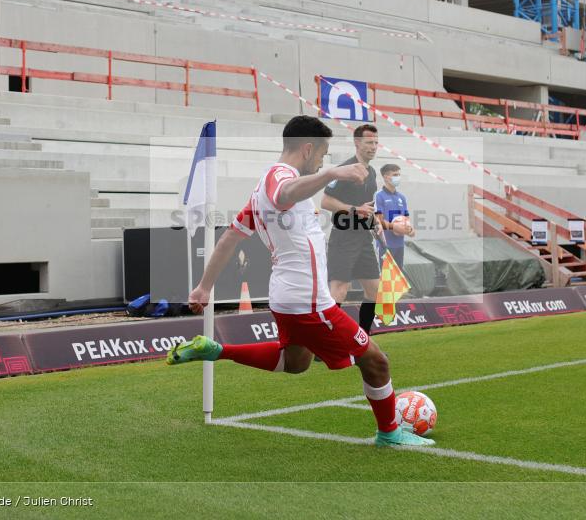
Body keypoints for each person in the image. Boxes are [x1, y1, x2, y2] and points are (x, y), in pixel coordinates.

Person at [169, 116, 434, 448]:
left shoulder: (261, 193)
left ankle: (215, 350)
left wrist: (203, 287)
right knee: (376, 360)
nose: (322, 162)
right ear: (308, 149)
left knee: (296, 362)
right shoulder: (281, 177)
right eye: (322, 155)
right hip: (308, 302)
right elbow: (285, 194)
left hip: (290, 298)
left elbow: (228, 240)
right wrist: (332, 173)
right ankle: (390, 434)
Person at [320, 124, 383, 336]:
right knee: (340, 290)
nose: (373, 147)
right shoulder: (345, 169)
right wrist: (355, 210)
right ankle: (325, 343)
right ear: (357, 143)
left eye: (376, 142)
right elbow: (326, 201)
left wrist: (374, 222)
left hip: (364, 238)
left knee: (374, 290)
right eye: (369, 142)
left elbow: (368, 207)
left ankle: (362, 339)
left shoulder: (373, 172)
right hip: (343, 237)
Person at [374, 164, 415, 270]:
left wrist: (410, 230)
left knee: (398, 280)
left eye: (399, 175)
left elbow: (406, 219)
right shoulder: (379, 196)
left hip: (399, 245)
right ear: (386, 177)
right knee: (385, 279)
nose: (398, 177)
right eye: (395, 174)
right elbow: (379, 221)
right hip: (385, 245)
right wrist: (395, 227)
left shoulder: (402, 197)